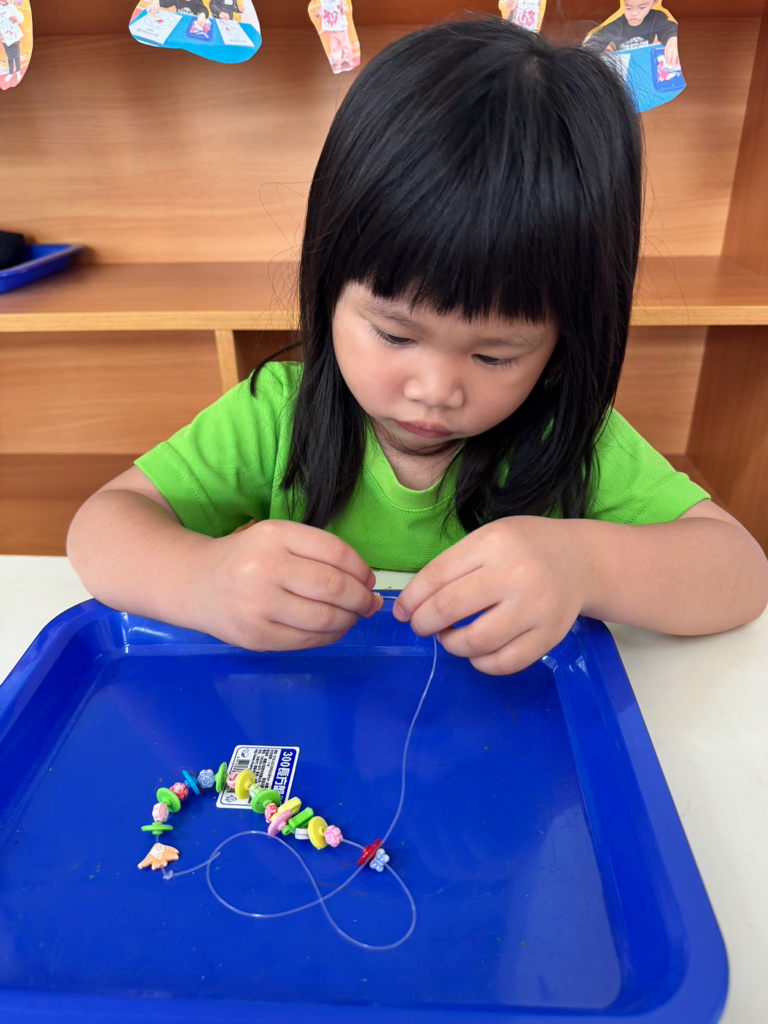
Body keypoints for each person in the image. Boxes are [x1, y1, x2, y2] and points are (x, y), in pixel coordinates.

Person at [67, 18, 768, 676]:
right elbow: (102, 526)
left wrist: (583, 565)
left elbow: (740, 571)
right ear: (328, 285)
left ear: (565, 341)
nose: (435, 390)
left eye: (495, 355)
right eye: (395, 334)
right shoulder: (274, 415)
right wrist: (203, 579)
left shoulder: (571, 438)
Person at [584, 1, 680, 71]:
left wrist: (672, 39)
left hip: (644, 66)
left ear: (654, 3)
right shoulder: (618, 24)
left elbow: (668, 28)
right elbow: (596, 40)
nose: (634, 13)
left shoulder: (656, 18)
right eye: (628, 7)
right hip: (624, 69)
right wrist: (593, 52)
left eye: (642, 7)